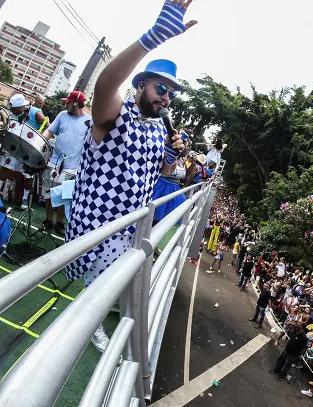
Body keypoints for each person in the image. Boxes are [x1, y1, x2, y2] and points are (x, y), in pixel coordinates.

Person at [64, 0, 195, 352]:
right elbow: (107, 82)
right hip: (98, 222)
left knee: (125, 284)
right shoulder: (116, 113)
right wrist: (154, 37)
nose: (166, 98)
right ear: (140, 87)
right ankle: (90, 326)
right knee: (105, 287)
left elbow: (162, 173)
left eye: (171, 93)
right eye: (160, 89)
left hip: (131, 223)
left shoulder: (158, 129)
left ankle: (100, 316)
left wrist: (173, 156)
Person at [42, 91, 91, 235]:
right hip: (54, 161)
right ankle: (49, 219)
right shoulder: (62, 115)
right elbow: (49, 132)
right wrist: (40, 141)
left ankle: (59, 222)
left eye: (68, 102)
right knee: (48, 193)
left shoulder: (89, 121)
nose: (66, 104)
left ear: (75, 103)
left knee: (64, 195)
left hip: (72, 166)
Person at [0, 94, 47, 209]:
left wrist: (39, 134)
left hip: (28, 150)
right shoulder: (16, 114)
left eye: (14, 109)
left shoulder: (35, 112)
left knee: (27, 176)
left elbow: (48, 126)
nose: (13, 111)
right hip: (14, 146)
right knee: (4, 168)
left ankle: (24, 200)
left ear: (21, 107)